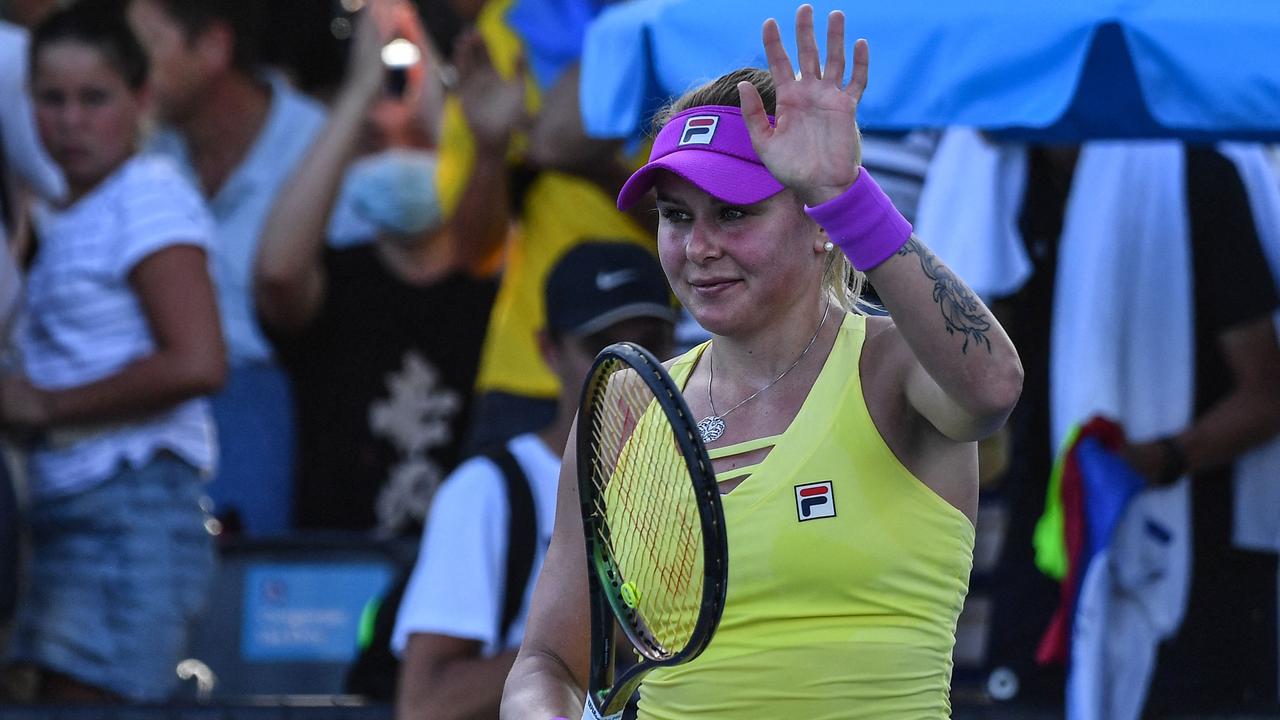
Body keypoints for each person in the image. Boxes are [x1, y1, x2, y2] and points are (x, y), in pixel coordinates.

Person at [501, 5, 1023, 718]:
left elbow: (995, 386)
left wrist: (848, 198)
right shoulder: (626, 413)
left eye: (734, 213)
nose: (699, 246)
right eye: (676, 216)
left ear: (819, 227)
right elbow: (547, 662)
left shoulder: (893, 365)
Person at [0, 0, 224, 702]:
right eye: (51, 100)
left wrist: (43, 404)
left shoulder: (148, 193)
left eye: (93, 99)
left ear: (142, 98)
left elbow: (198, 361)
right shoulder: (63, 212)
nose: (70, 123)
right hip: (72, 516)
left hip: (131, 517)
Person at [392, 241, 675, 720]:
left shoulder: (713, 467)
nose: (628, 368)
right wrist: (600, 637)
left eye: (650, 342)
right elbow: (424, 705)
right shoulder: (487, 489)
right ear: (547, 349)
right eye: (600, 347)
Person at [254, 0, 502, 536]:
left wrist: (443, 97)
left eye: (417, 140)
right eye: (371, 142)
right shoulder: (336, 280)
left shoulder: (495, 283)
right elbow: (275, 277)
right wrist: (359, 91)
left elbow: (490, 226)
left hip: (460, 573)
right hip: (336, 571)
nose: (396, 158)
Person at [125, 0, 334, 536]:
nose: (127, 64)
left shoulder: (320, 143)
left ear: (214, 46)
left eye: (145, 46)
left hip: (273, 407)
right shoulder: (143, 145)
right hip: (143, 408)